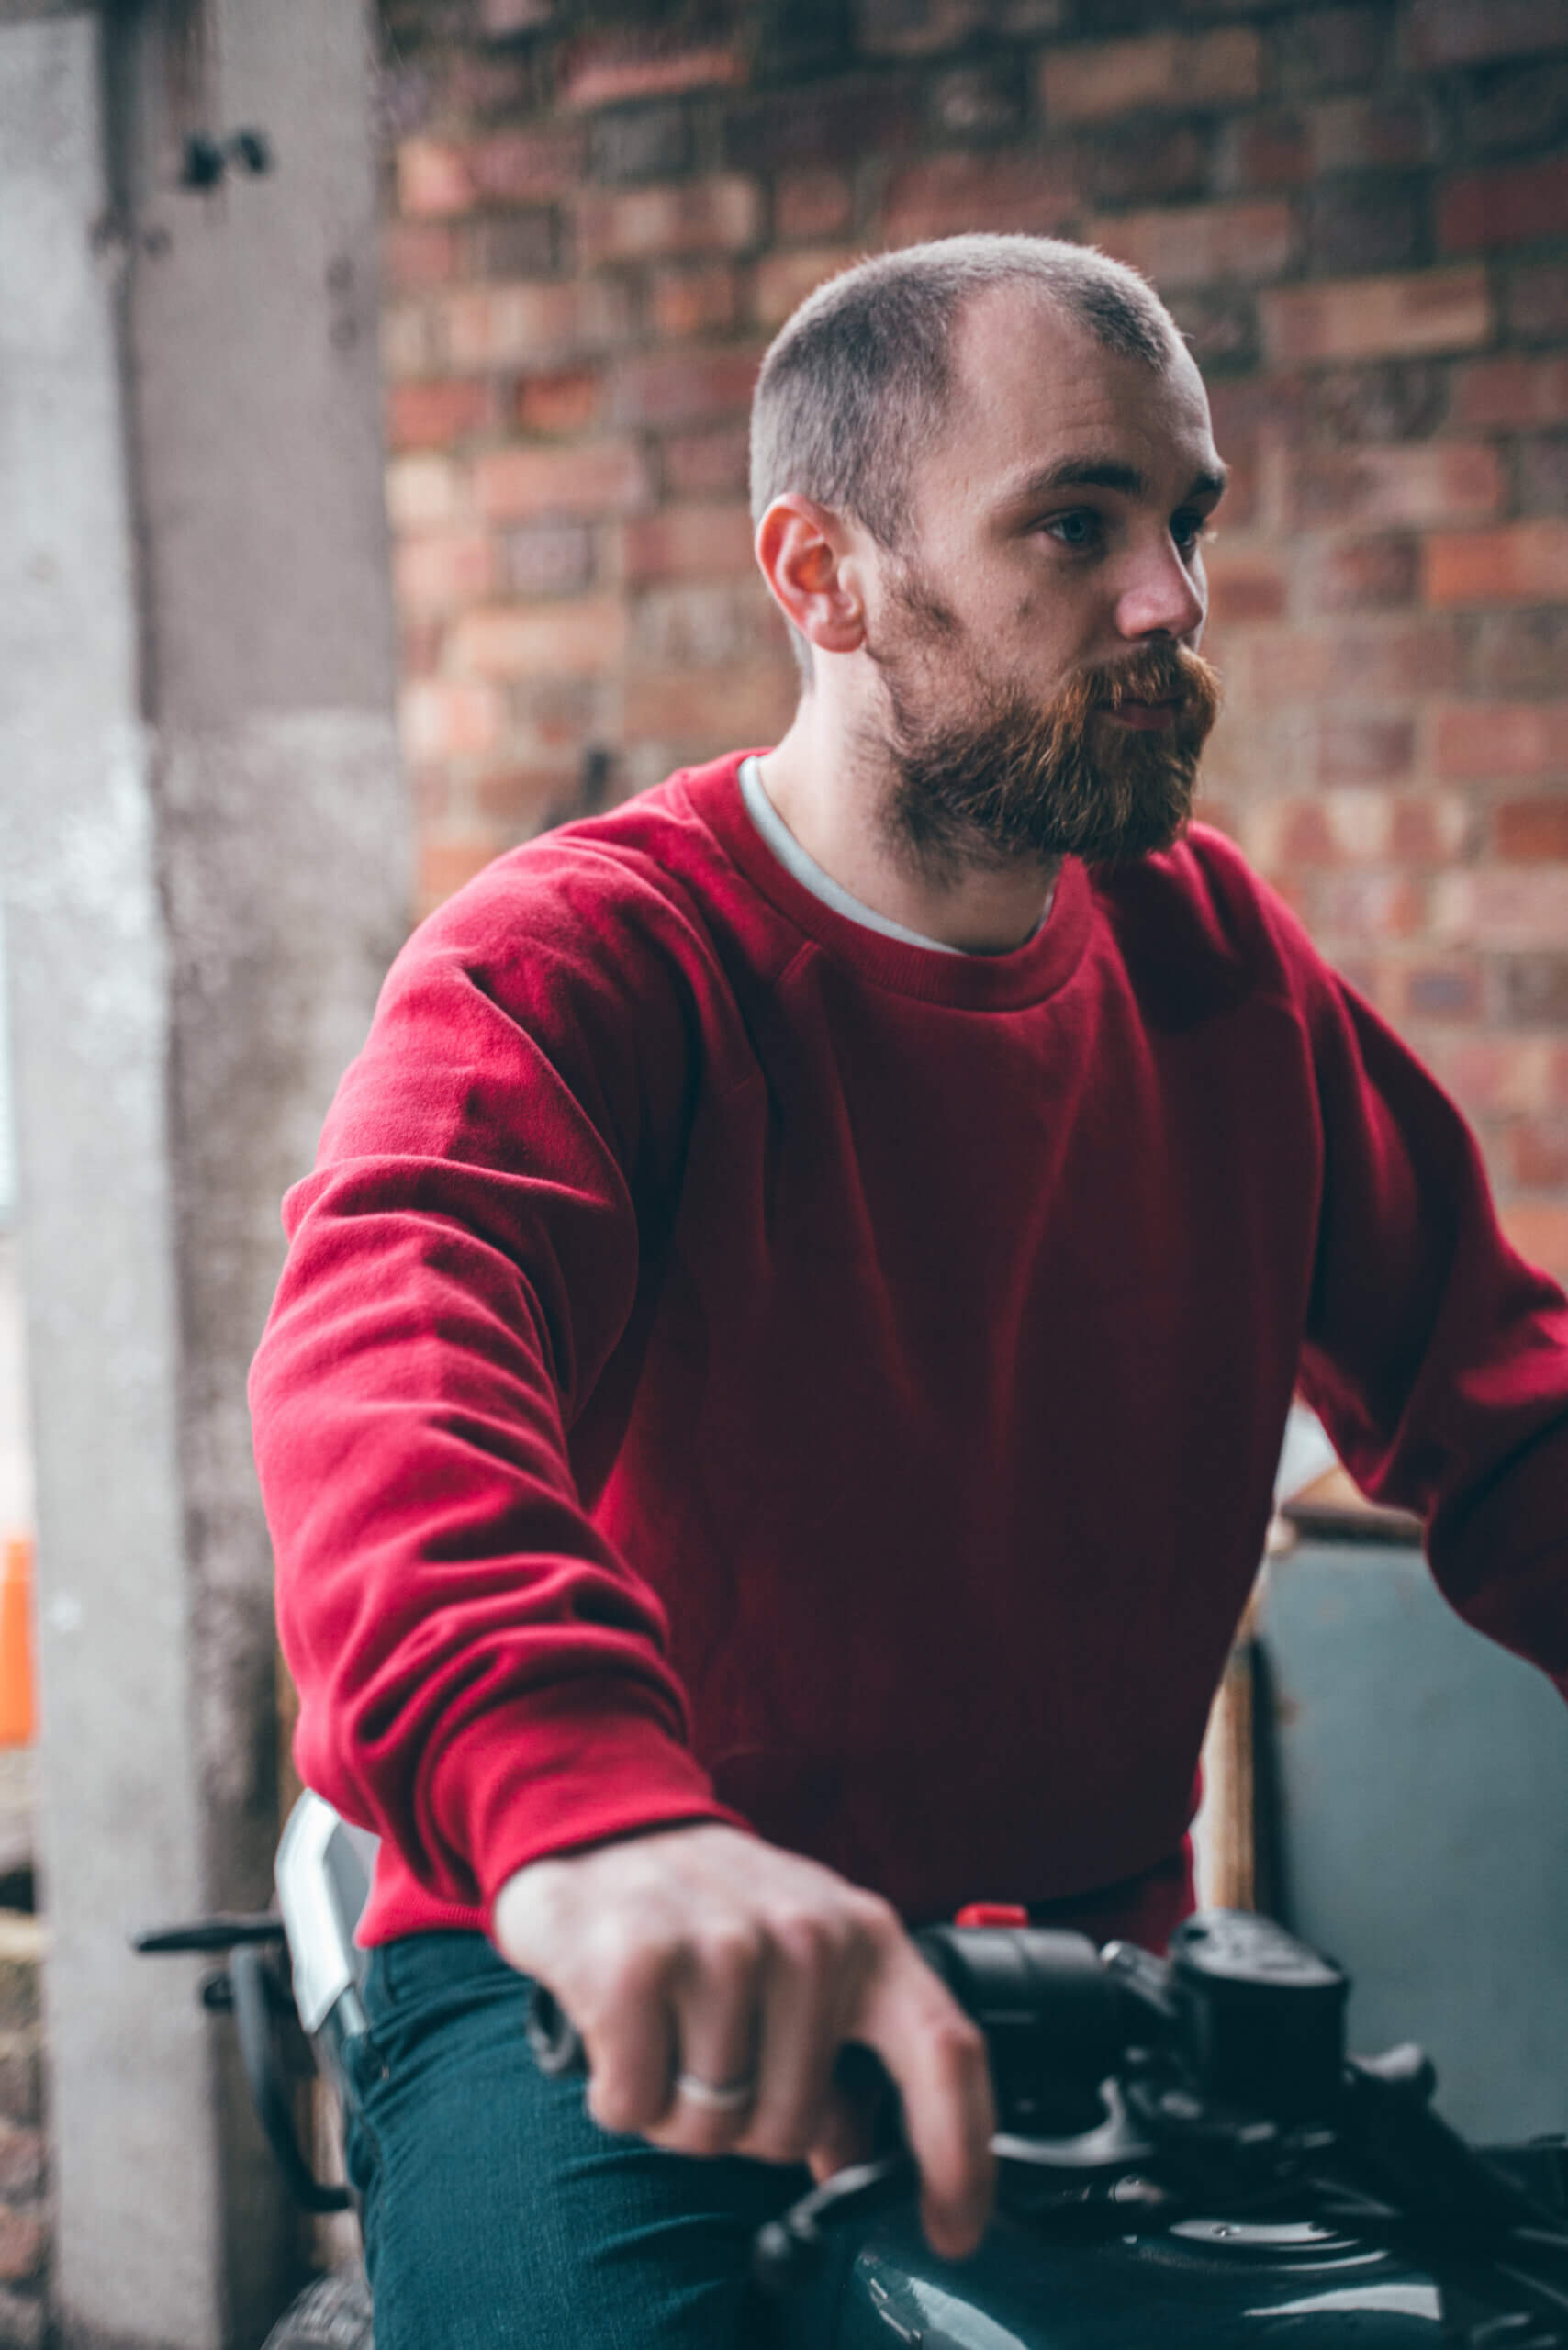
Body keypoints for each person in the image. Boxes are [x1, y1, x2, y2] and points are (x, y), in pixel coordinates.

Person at [250, 234, 1568, 2348]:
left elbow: (1506, 1398)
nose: (1168, 600)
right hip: (609, 1945)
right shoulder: (586, 961)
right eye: (1074, 521)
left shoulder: (1215, 964)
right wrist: (588, 1810)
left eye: (1180, 519)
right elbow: (389, 1365)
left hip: (1074, 1974)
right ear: (822, 575)